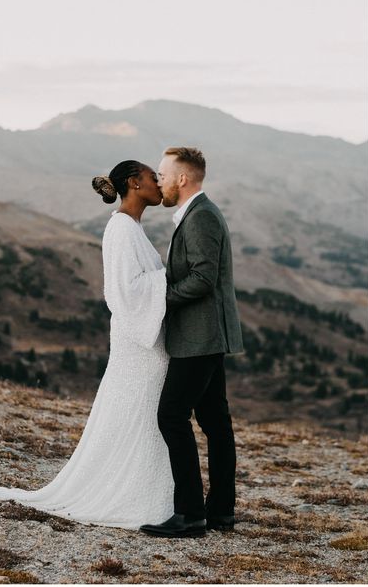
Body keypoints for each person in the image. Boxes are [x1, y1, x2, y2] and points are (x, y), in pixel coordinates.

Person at [0, 160, 175, 530]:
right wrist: (171, 279)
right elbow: (123, 290)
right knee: (140, 413)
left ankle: (151, 490)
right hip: (138, 342)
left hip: (148, 338)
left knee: (147, 415)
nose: (160, 184)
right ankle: (135, 494)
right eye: (153, 177)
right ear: (134, 183)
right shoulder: (121, 229)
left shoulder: (134, 228)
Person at [140, 147, 244, 539]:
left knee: (171, 416)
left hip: (200, 337)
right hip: (206, 334)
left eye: (164, 175)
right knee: (216, 423)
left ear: (182, 179)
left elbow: (202, 279)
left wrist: (157, 299)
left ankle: (190, 513)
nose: (160, 181)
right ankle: (220, 511)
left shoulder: (201, 217)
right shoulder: (197, 213)